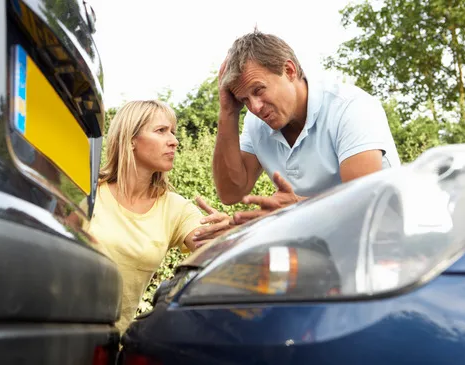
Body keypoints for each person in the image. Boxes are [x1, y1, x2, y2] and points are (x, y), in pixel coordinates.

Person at [213, 29, 401, 223]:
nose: (255, 107)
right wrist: (228, 112)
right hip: (317, 242)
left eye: (258, 90)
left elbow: (362, 206)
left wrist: (293, 209)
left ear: (289, 70)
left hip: (386, 239)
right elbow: (231, 194)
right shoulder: (255, 123)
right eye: (244, 100)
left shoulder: (351, 107)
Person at [82, 100, 233, 332]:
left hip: (112, 346)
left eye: (172, 132)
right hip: (57, 332)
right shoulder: (87, 190)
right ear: (131, 139)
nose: (174, 141)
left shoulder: (175, 208)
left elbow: (210, 247)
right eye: (161, 131)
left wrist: (228, 235)